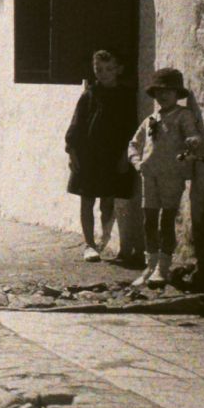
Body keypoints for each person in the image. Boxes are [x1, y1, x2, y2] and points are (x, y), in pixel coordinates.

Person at [126, 67, 204, 288]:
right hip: (150, 174)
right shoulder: (150, 119)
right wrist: (137, 163)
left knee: (167, 220)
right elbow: (134, 144)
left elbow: (193, 134)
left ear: (177, 94)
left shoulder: (183, 115)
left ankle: (162, 267)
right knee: (149, 219)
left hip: (172, 174)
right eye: (159, 91)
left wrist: (193, 141)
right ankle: (150, 265)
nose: (163, 95)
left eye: (169, 91)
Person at [65, 50, 134, 260]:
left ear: (119, 70)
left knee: (108, 199)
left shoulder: (126, 96)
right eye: (99, 70)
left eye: (109, 69)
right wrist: (72, 153)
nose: (103, 74)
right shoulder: (89, 95)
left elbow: (131, 128)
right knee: (87, 199)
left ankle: (105, 237)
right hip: (89, 155)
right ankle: (89, 244)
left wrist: (125, 156)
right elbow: (76, 126)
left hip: (112, 155)